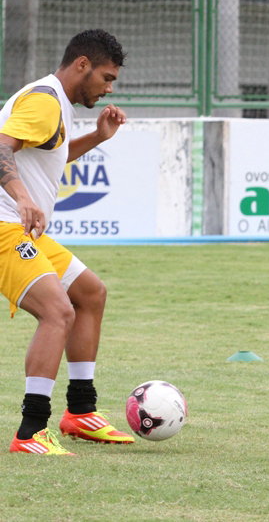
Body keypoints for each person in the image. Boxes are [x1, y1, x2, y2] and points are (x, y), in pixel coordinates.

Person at [2, 29, 133, 455]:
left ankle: (79, 412)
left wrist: (97, 137)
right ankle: (30, 431)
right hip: (4, 225)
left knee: (89, 293)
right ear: (82, 65)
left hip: (24, 230)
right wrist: (22, 198)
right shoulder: (43, 101)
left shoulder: (56, 102)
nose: (108, 87)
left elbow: (44, 153)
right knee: (58, 310)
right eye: (106, 77)